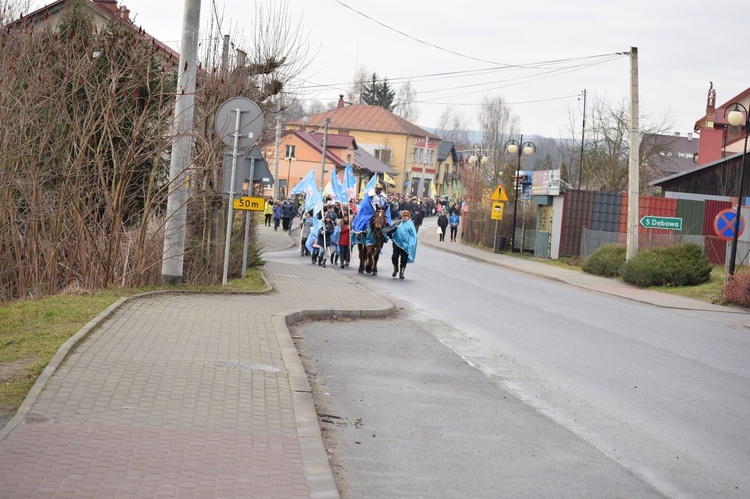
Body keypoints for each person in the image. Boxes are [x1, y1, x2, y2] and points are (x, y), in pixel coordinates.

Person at [391, 210, 418, 280]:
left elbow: (413, 236)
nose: (404, 217)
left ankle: (402, 272)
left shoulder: (411, 225)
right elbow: (392, 230)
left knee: (403, 259)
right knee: (394, 257)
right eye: (403, 216)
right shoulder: (399, 223)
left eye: (406, 216)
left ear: (408, 217)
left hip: (406, 245)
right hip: (397, 243)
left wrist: (411, 244)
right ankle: (395, 268)